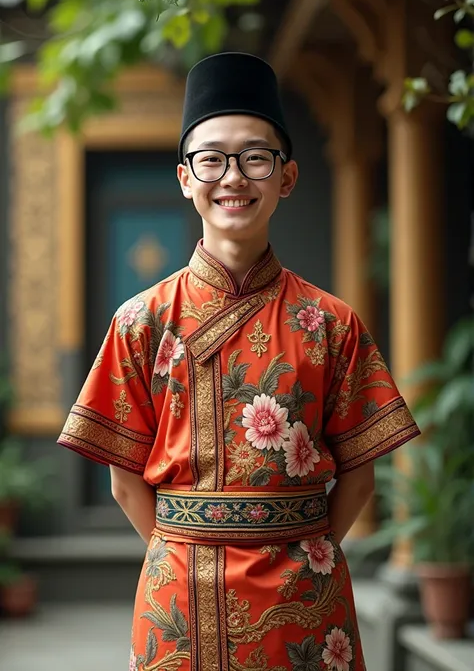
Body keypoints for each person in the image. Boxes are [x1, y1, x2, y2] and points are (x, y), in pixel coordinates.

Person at [58, 52, 420, 671]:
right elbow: (123, 479)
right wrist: (183, 553)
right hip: (178, 597)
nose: (234, 177)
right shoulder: (140, 319)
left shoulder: (332, 322)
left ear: (287, 177)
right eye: (212, 158)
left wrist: (308, 553)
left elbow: (361, 474)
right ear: (184, 177)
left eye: (256, 157)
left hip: (305, 593)